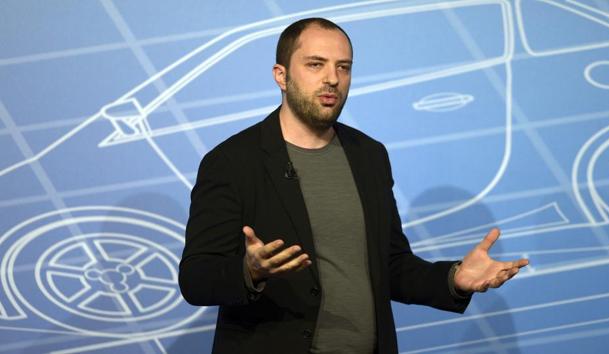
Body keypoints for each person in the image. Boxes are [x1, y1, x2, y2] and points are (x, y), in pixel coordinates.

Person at [179, 17, 529, 354]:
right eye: (316, 65)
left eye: (343, 67)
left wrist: (453, 278)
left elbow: (390, 265)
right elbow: (196, 278)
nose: (332, 78)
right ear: (281, 76)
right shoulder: (232, 161)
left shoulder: (369, 156)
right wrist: (249, 271)